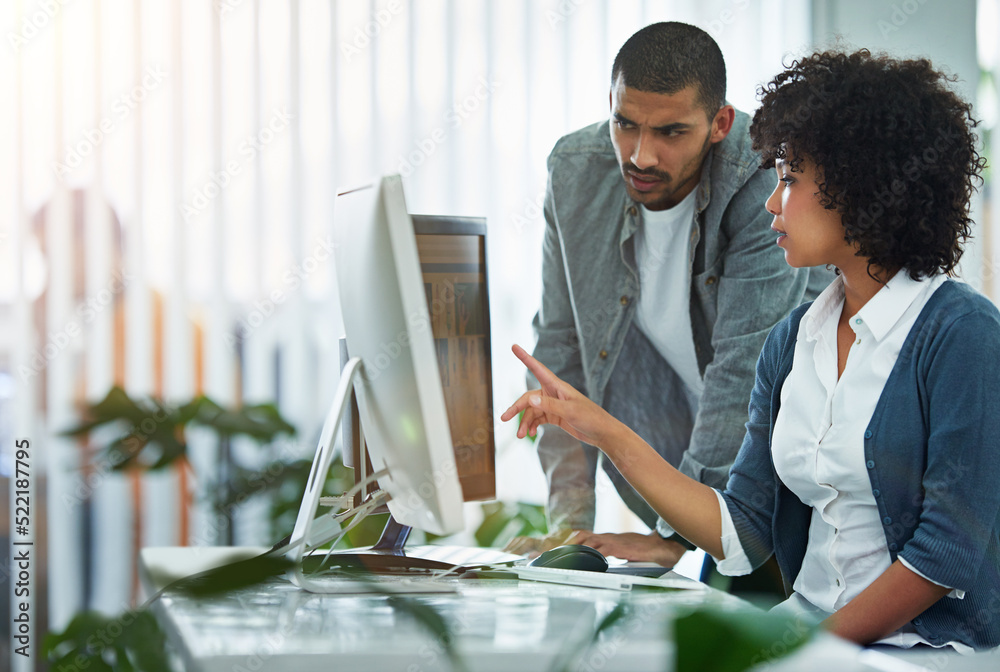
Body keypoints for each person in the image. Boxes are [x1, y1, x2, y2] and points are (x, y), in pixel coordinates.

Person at [503, 49, 1000, 650]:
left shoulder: (962, 334)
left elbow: (943, 557)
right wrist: (602, 429)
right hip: (811, 636)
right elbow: (743, 532)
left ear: (861, 186)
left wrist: (803, 650)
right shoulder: (793, 339)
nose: (771, 201)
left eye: (789, 180)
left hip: (927, 653)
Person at [523, 21, 830, 567]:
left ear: (720, 123)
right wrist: (568, 531)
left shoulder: (763, 180)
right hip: (680, 479)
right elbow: (560, 351)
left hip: (785, 489)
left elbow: (743, 370)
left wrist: (676, 536)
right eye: (625, 124)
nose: (641, 156)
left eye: (670, 132)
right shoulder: (575, 171)